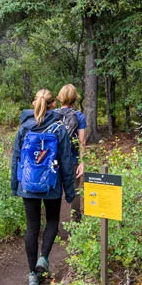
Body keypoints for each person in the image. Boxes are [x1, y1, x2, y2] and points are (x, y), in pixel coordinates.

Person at [11, 88, 77, 285]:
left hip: (28, 184)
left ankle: (32, 273)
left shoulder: (24, 127)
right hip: (51, 183)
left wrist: (16, 185)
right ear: (53, 105)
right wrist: (70, 190)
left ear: (35, 103)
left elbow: (16, 158)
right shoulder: (58, 128)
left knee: (32, 226)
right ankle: (44, 258)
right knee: (52, 220)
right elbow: (66, 161)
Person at [53, 84, 88, 219]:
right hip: (72, 159)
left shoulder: (53, 114)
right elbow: (82, 141)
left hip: (55, 159)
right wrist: (82, 162)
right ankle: (76, 222)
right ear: (75, 98)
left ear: (60, 98)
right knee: (74, 190)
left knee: (56, 190)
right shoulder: (79, 116)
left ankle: (55, 223)